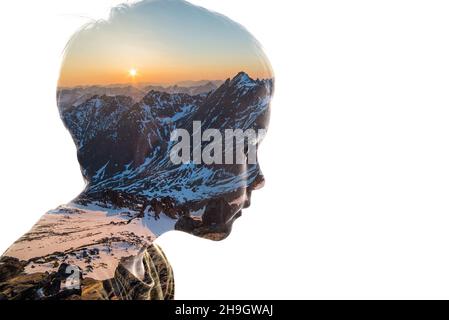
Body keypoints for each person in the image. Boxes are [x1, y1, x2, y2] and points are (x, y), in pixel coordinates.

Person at [0, 0, 274, 300]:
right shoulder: (58, 279)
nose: (258, 177)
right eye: (241, 148)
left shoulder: (151, 265)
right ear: (150, 146)